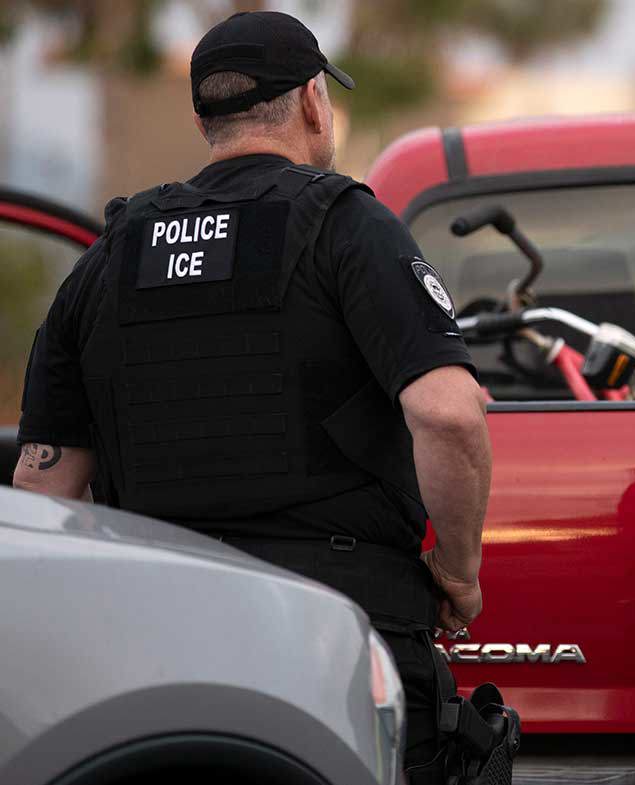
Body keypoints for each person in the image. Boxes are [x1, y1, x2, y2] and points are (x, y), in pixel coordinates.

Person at [11, 11, 492, 782]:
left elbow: (45, 488)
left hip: (154, 640)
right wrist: (460, 573)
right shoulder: (347, 225)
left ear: (204, 118)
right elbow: (447, 411)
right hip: (336, 630)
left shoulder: (109, 258)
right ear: (311, 101)